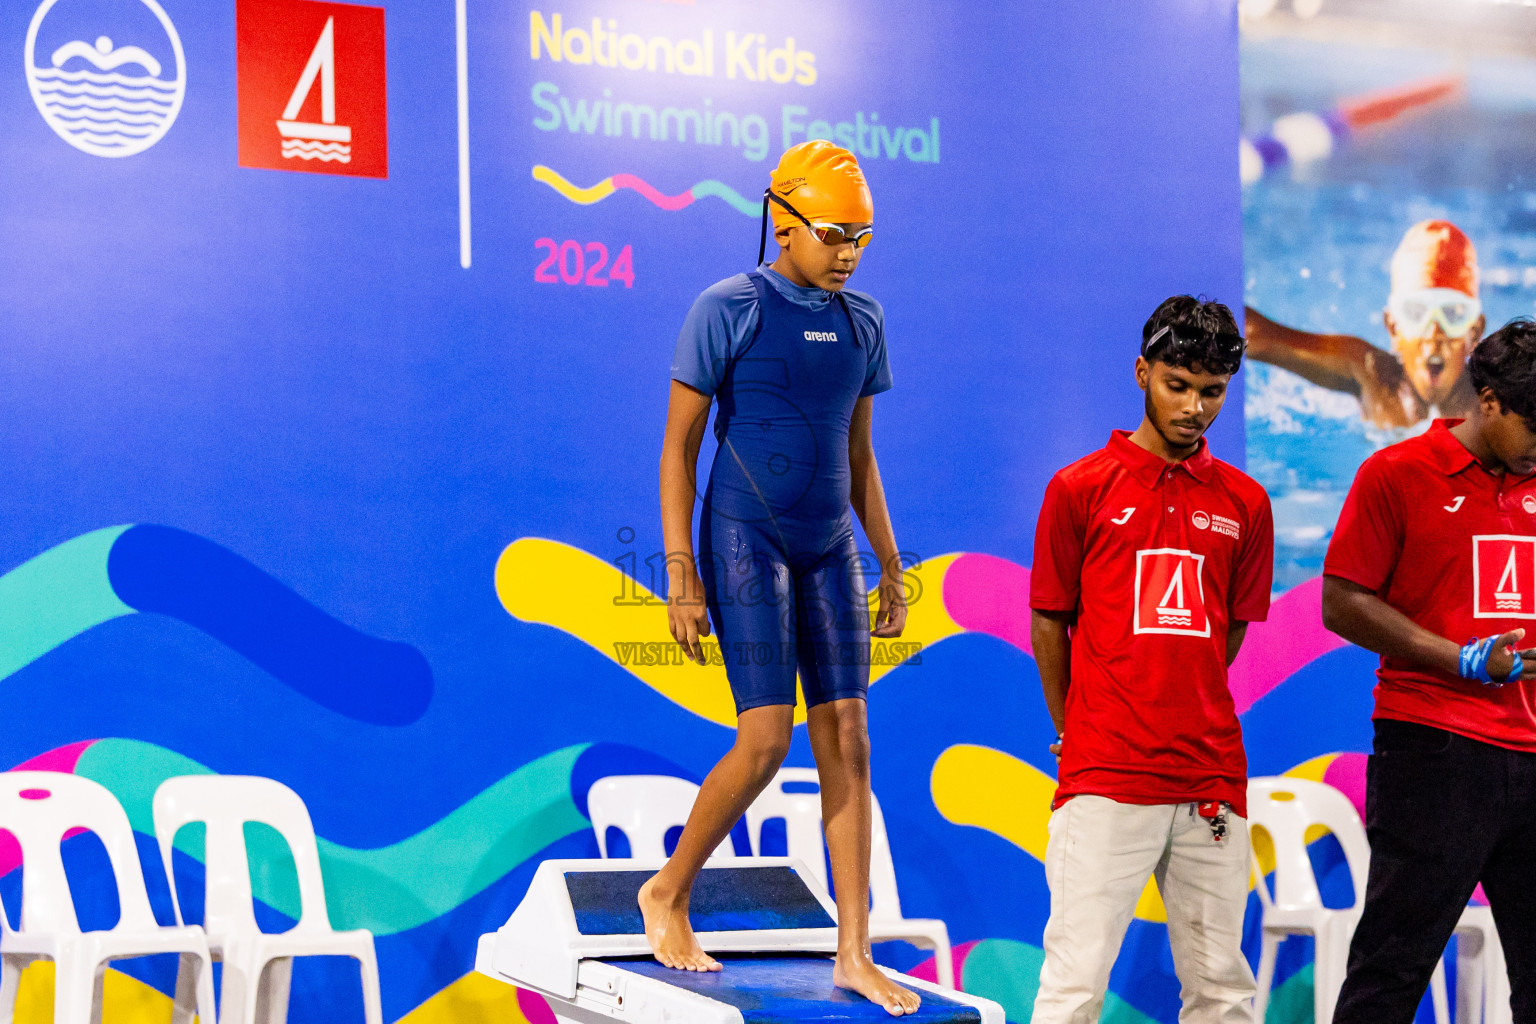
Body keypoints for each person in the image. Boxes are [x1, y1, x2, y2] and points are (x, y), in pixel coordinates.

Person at [641, 140, 920, 1016]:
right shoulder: (728, 307)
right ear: (785, 222)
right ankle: (668, 891)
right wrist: (682, 575)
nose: (849, 252)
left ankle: (853, 951)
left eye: (863, 237)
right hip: (744, 537)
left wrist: (890, 562)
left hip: (827, 543)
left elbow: (861, 455)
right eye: (835, 234)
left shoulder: (863, 320)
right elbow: (679, 448)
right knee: (766, 741)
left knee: (850, 740)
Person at [1029, 296, 1274, 1024]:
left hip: (1210, 776)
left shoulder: (1246, 504)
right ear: (1142, 372)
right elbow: (1051, 619)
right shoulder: (1080, 488)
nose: (1195, 406)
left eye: (1212, 392)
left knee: (1223, 993)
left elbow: (1224, 633)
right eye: (1178, 384)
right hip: (1105, 775)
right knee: (1074, 988)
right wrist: (1076, 721)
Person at [1322, 318, 1536, 1024]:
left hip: (1532, 757)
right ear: (1490, 401)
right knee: (1393, 967)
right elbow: (1342, 601)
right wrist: (1461, 658)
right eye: (1534, 425)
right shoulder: (1395, 475)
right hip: (1435, 752)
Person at [1247, 219, 1486, 428]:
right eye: (1416, 313)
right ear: (1393, 328)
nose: (1434, 333)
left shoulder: (1492, 402)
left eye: (1453, 314)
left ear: (1475, 332)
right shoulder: (1372, 376)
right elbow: (1258, 337)